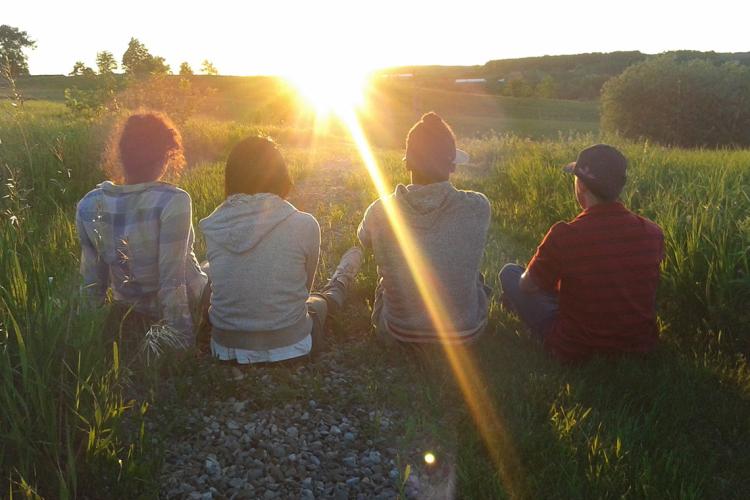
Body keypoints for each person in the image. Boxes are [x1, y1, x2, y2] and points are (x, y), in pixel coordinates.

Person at [199, 136, 361, 364]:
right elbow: (303, 291)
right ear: (280, 176)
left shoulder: (213, 225)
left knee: (206, 269)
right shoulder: (305, 224)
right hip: (292, 345)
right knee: (318, 301)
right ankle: (342, 279)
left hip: (224, 348)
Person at [499, 144, 665, 362]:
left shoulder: (565, 234)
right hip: (639, 343)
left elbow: (527, 286)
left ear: (582, 185)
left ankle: (515, 303)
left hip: (576, 345)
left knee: (511, 274)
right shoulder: (652, 233)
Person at [76, 111, 207, 349]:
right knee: (219, 266)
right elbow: (172, 280)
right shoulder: (173, 200)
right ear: (165, 156)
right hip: (184, 302)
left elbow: (92, 284)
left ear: (123, 156)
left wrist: (87, 336)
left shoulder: (89, 203)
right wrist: (180, 339)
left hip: (130, 308)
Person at [358, 112, 491, 344]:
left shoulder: (379, 211)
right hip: (465, 332)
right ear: (453, 167)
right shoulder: (479, 206)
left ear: (408, 163)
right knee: (476, 277)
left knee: (385, 280)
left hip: (398, 331)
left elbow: (363, 240)